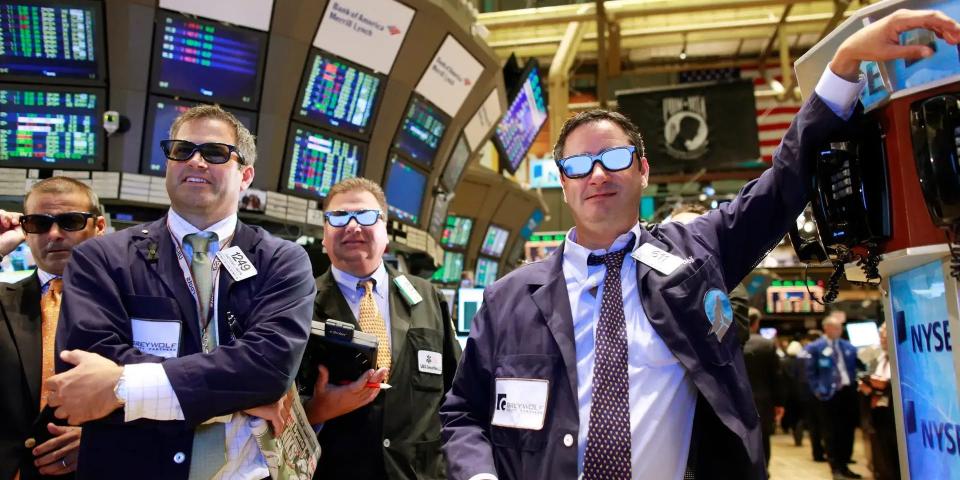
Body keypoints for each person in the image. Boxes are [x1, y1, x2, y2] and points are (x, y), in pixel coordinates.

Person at [440, 10, 960, 480]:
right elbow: (463, 412)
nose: (596, 174)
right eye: (578, 166)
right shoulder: (508, 298)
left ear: (644, 170)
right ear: (563, 181)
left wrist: (844, 65)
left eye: (614, 158)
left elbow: (780, 184)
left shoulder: (694, 253)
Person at [42, 105, 316, 479]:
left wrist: (122, 386)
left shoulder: (282, 260)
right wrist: (239, 397)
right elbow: (83, 375)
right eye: (182, 150)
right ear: (168, 163)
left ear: (246, 175)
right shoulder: (100, 258)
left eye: (215, 153)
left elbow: (269, 367)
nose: (197, 161)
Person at [304, 177, 461, 479]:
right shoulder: (300, 304)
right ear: (324, 234)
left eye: (365, 216)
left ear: (385, 230)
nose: (352, 226)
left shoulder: (428, 298)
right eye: (337, 217)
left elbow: (458, 396)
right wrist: (316, 410)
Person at [0, 178, 106, 479]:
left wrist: (100, 440)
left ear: (99, 226)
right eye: (39, 223)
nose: (55, 235)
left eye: (70, 221)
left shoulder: (132, 305)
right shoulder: (3, 301)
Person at [806, 314, 863, 479]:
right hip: (828, 395)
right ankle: (835, 468)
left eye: (840, 328)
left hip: (848, 392)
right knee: (831, 431)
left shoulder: (848, 347)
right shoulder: (815, 347)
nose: (839, 330)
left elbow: (858, 366)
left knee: (848, 430)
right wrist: (817, 390)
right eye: (836, 327)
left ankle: (845, 464)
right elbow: (810, 373)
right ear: (826, 328)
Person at [743, 307, 783, 471]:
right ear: (756, 323)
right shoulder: (767, 345)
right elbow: (777, 376)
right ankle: (763, 471)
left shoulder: (728, 341)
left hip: (737, 400)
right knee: (763, 438)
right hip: (763, 401)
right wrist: (780, 403)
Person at [858, 321, 899, 480]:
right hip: (878, 415)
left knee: (897, 457)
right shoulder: (879, 358)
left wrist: (885, 388)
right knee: (883, 456)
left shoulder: (902, 359)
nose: (882, 339)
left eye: (885, 335)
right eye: (880, 335)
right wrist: (868, 388)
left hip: (895, 416)